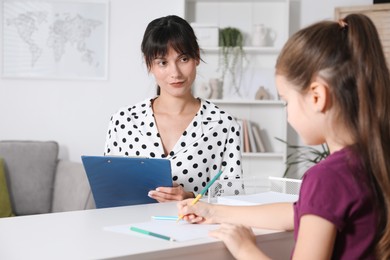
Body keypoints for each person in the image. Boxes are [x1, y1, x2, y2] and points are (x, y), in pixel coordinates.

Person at [178, 13, 390, 259]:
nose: (287, 113)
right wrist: (213, 211)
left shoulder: (328, 178)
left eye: (286, 101)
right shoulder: (374, 159)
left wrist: (244, 247)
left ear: (317, 97)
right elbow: (298, 212)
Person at [104, 15, 244, 202]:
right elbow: (108, 188)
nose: (175, 73)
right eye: (163, 62)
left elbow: (234, 195)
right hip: (130, 228)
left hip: (196, 229)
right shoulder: (123, 121)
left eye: (183, 59)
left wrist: (192, 198)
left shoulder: (223, 124)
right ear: (149, 64)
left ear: (197, 57)